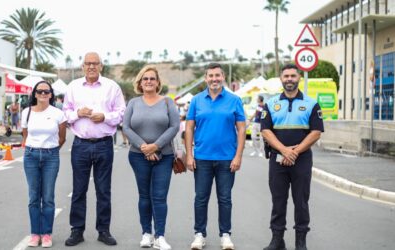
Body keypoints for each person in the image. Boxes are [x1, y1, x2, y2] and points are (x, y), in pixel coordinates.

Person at [63, 52, 126, 247]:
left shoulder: (112, 87)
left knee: (103, 190)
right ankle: (77, 230)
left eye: (95, 63)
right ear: (82, 66)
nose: (91, 66)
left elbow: (121, 113)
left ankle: (103, 230)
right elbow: (65, 112)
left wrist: (104, 117)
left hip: (104, 144)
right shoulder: (73, 87)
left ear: (101, 66)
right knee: (79, 190)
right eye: (87, 63)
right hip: (80, 144)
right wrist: (77, 113)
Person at [261, 64, 324, 250]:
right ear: (281, 79)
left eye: (293, 76)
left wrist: (294, 152)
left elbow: (316, 132)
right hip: (277, 159)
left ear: (299, 78)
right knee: (278, 200)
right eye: (286, 76)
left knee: (301, 201)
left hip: (302, 160)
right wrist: (283, 150)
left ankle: (300, 242)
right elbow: (265, 130)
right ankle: (277, 240)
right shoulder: (271, 104)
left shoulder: (311, 103)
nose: (289, 79)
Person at [185, 63, 246, 250]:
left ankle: (225, 235)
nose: (214, 79)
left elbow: (242, 128)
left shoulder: (234, 100)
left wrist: (238, 156)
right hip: (202, 157)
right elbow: (189, 127)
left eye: (217, 75)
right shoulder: (196, 100)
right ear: (205, 78)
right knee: (200, 198)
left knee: (225, 198)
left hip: (227, 158)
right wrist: (189, 155)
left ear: (223, 77)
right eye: (210, 76)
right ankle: (199, 235)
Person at [122, 65, 180, 250]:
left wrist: (156, 146)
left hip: (164, 156)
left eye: (152, 79)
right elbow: (126, 128)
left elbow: (174, 126)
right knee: (144, 196)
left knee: (159, 197)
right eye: (145, 79)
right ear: (140, 83)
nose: (148, 81)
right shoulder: (133, 103)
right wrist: (144, 147)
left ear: (157, 83)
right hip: (138, 156)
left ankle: (160, 236)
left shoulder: (167, 102)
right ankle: (146, 234)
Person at [21, 81, 67, 248]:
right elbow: (25, 136)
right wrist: (35, 148)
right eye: (39, 91)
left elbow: (62, 138)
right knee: (34, 197)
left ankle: (46, 234)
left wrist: (50, 150)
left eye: (46, 91)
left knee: (48, 197)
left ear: (51, 94)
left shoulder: (58, 114)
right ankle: (35, 234)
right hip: (31, 156)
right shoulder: (26, 112)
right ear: (34, 94)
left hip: (51, 157)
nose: (42, 94)